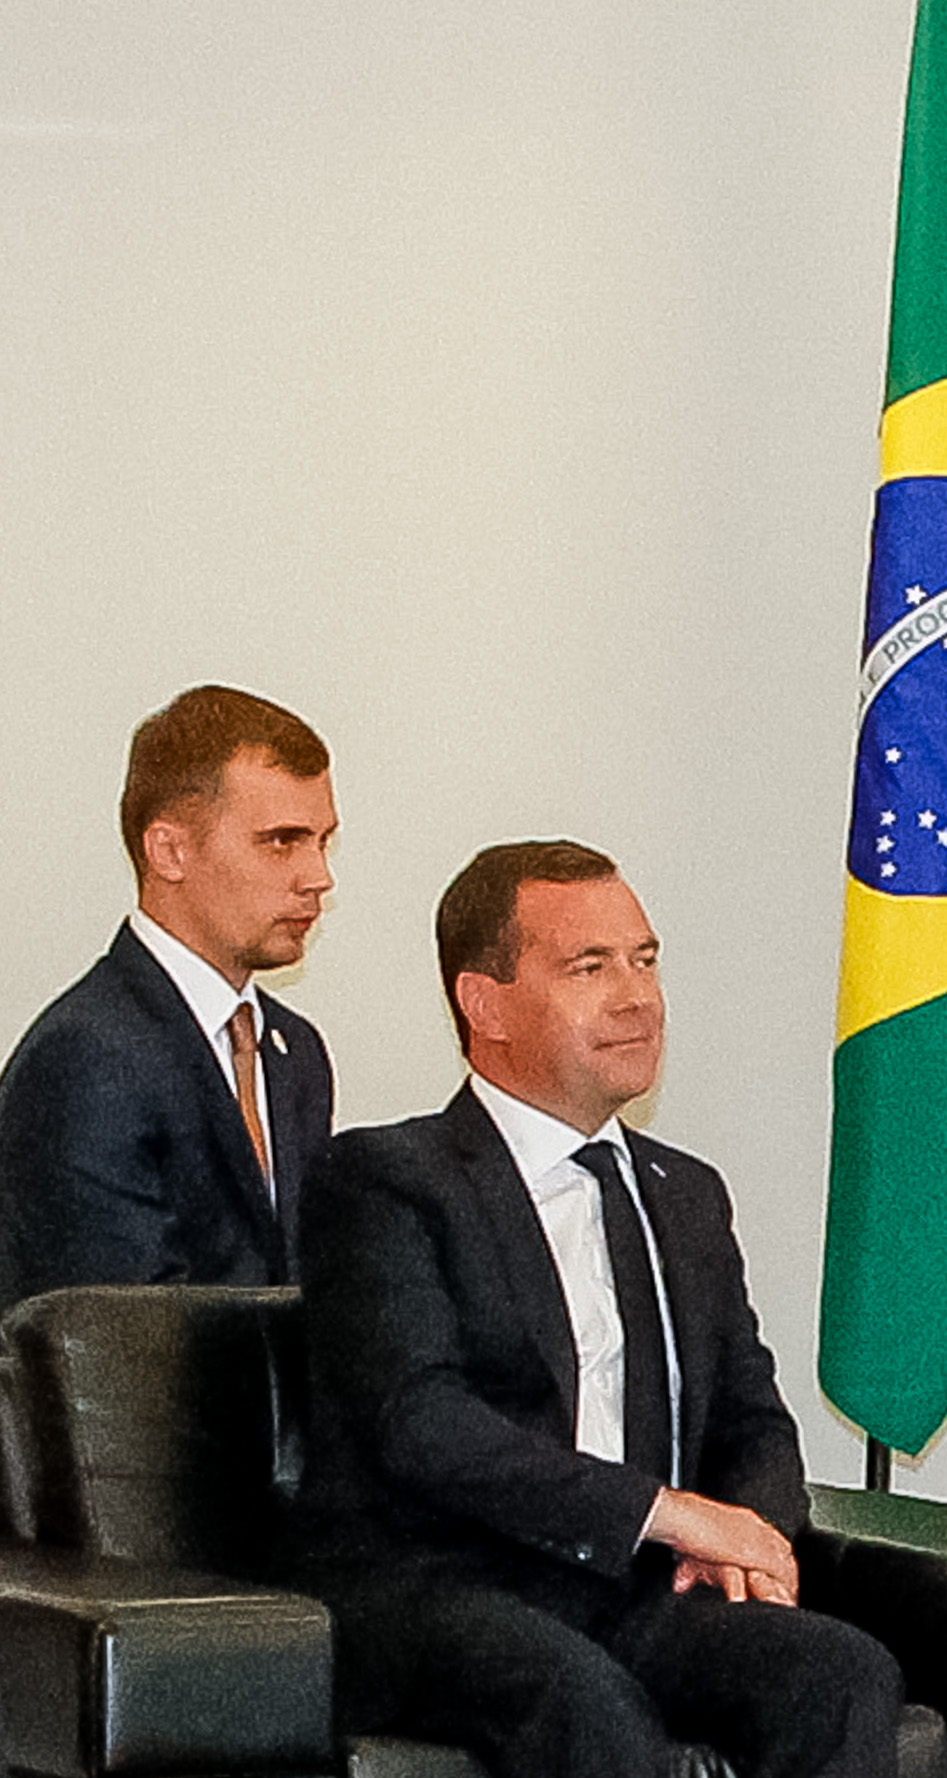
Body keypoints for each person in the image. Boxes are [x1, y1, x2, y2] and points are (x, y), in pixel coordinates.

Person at [293, 842, 898, 1778]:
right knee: (584, 1703)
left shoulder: (685, 1194)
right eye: (590, 968)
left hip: (636, 1587)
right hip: (448, 1584)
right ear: (485, 1004)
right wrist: (669, 1515)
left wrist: (745, 1535)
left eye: (644, 961)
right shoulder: (385, 1180)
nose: (637, 998)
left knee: (841, 1673)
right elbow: (423, 1424)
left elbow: (753, 1420)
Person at [0, 686, 339, 1306]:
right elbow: (124, 1338)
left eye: (322, 840)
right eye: (281, 841)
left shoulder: (296, 1051)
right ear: (170, 851)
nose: (318, 877)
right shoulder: (85, 1059)